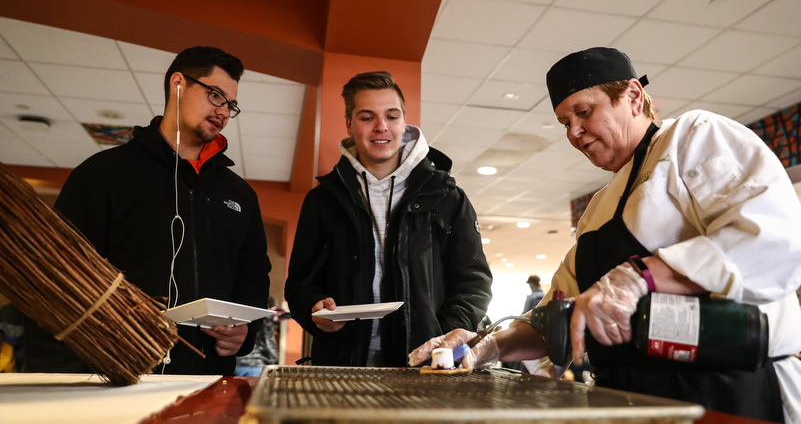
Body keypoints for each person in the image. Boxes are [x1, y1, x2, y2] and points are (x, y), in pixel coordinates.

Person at [410, 47, 801, 422]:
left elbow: (772, 240)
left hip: (727, 393)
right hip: (631, 398)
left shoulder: (693, 138)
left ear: (633, 96)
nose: (575, 133)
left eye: (584, 112)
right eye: (565, 123)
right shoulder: (597, 207)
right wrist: (490, 344)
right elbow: (559, 315)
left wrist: (639, 276)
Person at [24, 46, 272, 376]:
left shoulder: (240, 194)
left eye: (231, 105)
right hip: (114, 377)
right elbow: (54, 275)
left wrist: (245, 333)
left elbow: (253, 278)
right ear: (179, 84)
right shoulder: (104, 174)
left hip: (208, 381)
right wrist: (56, 378)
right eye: (215, 95)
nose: (224, 112)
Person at [285, 71, 492, 367]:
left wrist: (445, 336)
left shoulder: (448, 196)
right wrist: (313, 308)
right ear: (349, 124)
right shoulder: (322, 201)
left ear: (404, 121)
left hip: (427, 366)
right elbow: (301, 285)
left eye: (391, 116)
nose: (381, 127)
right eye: (367, 117)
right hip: (341, 365)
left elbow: (474, 282)